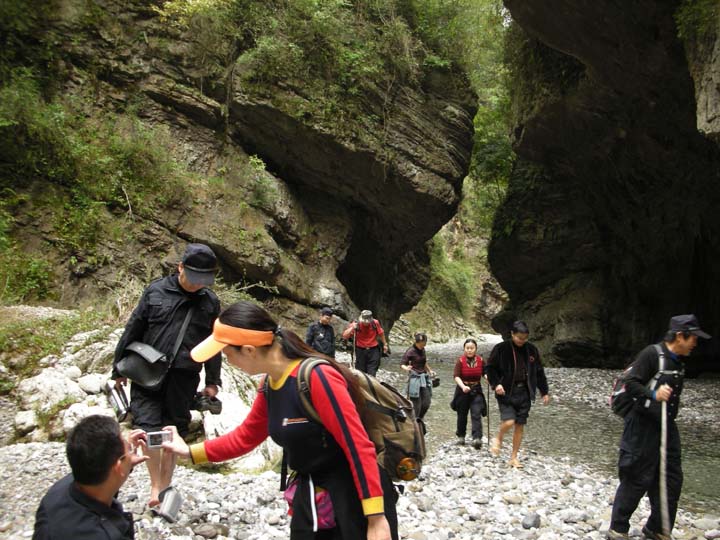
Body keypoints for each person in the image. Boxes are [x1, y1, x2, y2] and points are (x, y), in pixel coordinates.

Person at [161, 300, 398, 540]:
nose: (227, 361)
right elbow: (245, 437)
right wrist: (190, 453)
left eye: (227, 354)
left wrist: (377, 519)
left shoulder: (318, 378)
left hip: (354, 499)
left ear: (249, 350)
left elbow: (358, 446)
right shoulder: (269, 384)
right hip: (312, 494)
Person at [112, 243, 222, 508]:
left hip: (184, 379)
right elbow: (133, 329)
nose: (198, 285)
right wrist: (118, 368)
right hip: (146, 373)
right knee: (148, 430)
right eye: (194, 277)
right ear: (180, 267)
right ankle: (155, 485)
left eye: (203, 279)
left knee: (173, 430)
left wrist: (212, 382)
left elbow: (215, 343)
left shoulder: (210, 303)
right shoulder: (156, 291)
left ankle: (165, 485)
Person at [606, 314, 711, 540]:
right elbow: (632, 383)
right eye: (693, 338)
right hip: (641, 425)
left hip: (666, 426)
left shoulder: (679, 361)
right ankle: (618, 528)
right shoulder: (652, 354)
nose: (695, 343)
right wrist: (654, 394)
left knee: (671, 478)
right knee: (636, 475)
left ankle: (658, 528)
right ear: (680, 336)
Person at [33, 415, 149, 540]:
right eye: (129, 448)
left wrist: (126, 462)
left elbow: (107, 478)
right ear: (118, 467)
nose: (130, 447)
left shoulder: (59, 491)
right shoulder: (104, 535)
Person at [486, 320, 550, 468]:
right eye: (519, 337)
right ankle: (499, 438)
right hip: (506, 391)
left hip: (525, 392)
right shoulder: (501, 348)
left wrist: (544, 391)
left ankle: (514, 457)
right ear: (512, 334)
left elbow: (539, 371)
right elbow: (490, 368)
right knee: (509, 421)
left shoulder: (532, 350)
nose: (522, 341)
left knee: (520, 425)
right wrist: (496, 384)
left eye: (525, 338)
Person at [451, 338, 487, 449]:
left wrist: (488, 378)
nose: (469, 350)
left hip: (476, 389)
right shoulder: (460, 361)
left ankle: (477, 438)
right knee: (462, 414)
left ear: (475, 349)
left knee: (476, 413)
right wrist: (463, 387)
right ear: (464, 349)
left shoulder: (481, 360)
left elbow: (485, 373)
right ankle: (461, 436)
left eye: (472, 348)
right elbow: (456, 376)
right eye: (467, 348)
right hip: (462, 390)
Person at [341, 310, 388, 376]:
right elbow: (345, 336)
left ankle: (371, 384)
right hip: (360, 350)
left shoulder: (375, 323)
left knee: (372, 371)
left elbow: (381, 333)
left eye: (368, 322)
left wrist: (385, 344)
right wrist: (352, 328)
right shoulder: (356, 324)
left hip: (373, 350)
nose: (366, 323)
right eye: (364, 321)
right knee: (360, 372)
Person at [400, 332, 434, 421]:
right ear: (416, 342)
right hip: (414, 379)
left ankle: (420, 418)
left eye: (424, 343)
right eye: (420, 343)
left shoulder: (423, 350)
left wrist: (430, 371)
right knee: (416, 404)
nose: (422, 345)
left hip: (424, 377)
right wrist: (407, 368)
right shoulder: (410, 351)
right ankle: (415, 421)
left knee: (426, 402)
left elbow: (424, 362)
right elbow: (402, 364)